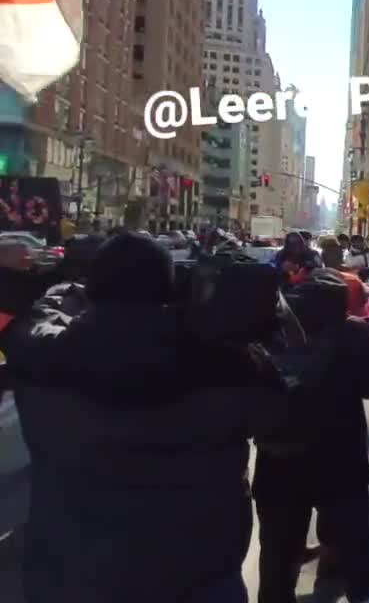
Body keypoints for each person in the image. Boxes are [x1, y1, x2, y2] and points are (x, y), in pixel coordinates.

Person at [0, 232, 284, 603]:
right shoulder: (231, 366)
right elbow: (281, 429)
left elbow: (29, 328)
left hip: (73, 577)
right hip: (199, 576)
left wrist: (58, 295)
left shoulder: (41, 363)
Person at [252, 270, 369, 603]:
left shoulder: (271, 333)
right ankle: (363, 595)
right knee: (354, 543)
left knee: (278, 552)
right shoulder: (357, 334)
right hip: (341, 457)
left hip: (280, 457)